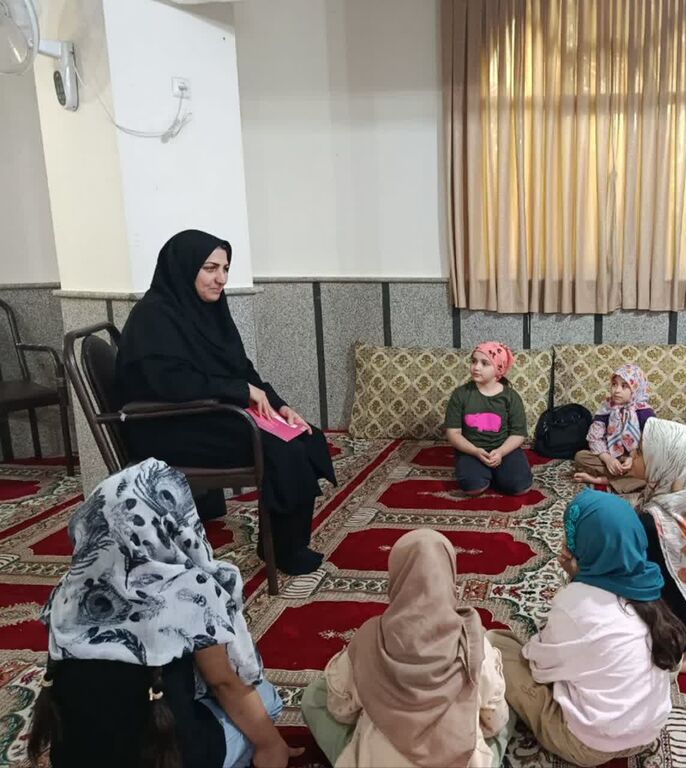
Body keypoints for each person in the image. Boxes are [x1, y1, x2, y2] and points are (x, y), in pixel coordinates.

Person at [27, 459, 299, 768]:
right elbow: (224, 683)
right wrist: (271, 745)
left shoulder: (69, 590)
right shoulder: (188, 590)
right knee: (266, 698)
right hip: (166, 755)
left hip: (76, 756)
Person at [115, 230, 336, 575]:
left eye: (225, 268)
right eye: (210, 268)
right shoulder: (153, 317)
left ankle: (287, 542)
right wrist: (241, 392)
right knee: (281, 447)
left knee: (303, 434)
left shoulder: (207, 310)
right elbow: (170, 383)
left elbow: (241, 368)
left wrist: (278, 405)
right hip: (167, 426)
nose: (221, 278)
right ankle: (284, 550)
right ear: (184, 268)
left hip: (204, 413)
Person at [488, 489, 686, 768]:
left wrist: (574, 583)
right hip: (648, 732)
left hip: (588, 746)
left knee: (497, 644)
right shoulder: (650, 585)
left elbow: (539, 668)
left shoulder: (574, 604)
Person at [300, 529, 513, 767]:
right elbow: (495, 723)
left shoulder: (369, 638)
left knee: (314, 696)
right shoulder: (474, 643)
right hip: (461, 761)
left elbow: (341, 710)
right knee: (506, 713)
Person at [626, 418, 686, 658]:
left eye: (641, 452)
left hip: (661, 629)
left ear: (665, 463)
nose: (633, 454)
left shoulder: (652, 522)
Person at [444, 342, 532, 496]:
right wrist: (475, 451)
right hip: (471, 450)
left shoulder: (511, 397)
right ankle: (484, 473)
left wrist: (501, 452)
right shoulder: (460, 394)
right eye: (474, 361)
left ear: (498, 369)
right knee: (473, 487)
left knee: (520, 487)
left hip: (504, 449)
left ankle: (497, 473)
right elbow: (453, 433)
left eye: (484, 363)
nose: (476, 367)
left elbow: (518, 434)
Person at [572, 364, 654, 494]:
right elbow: (595, 438)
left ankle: (600, 480)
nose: (617, 390)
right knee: (580, 457)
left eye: (624, 386)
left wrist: (633, 458)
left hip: (635, 460)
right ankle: (624, 479)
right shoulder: (607, 408)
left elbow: (651, 442)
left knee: (651, 469)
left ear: (636, 388)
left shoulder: (644, 412)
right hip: (612, 456)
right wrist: (608, 459)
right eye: (614, 384)